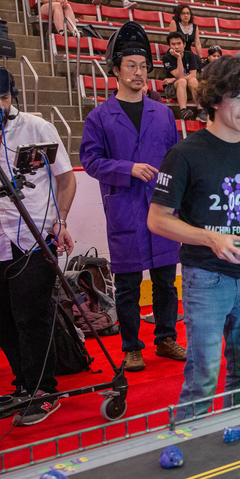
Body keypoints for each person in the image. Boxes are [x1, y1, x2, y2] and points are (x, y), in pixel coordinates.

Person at [148, 55, 240, 419]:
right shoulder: (185, 154)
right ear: (214, 99)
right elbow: (157, 220)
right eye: (238, 96)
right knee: (204, 375)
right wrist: (212, 239)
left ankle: (236, 438)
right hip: (204, 279)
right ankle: (190, 445)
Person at [80, 27, 185, 372]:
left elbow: (174, 158)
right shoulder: (99, 116)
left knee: (166, 281)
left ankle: (166, 337)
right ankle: (131, 346)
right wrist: (128, 168)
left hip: (162, 207)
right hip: (125, 209)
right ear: (116, 70)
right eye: (131, 66)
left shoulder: (163, 113)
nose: (139, 72)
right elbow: (91, 161)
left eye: (143, 66)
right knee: (127, 284)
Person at [0, 66, 76, 425]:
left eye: (3, 97)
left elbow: (67, 181)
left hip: (33, 237)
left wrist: (61, 221)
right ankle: (23, 384)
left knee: (32, 316)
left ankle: (44, 389)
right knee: (6, 319)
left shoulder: (37, 128)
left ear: (12, 96)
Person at [162, 31, 202, 120]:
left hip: (187, 88)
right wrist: (179, 58)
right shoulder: (167, 57)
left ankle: (201, 111)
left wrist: (173, 79)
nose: (176, 47)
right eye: (173, 44)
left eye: (179, 43)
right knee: (181, 81)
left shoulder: (190, 55)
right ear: (169, 46)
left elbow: (193, 75)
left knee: (193, 81)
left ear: (184, 44)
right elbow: (179, 76)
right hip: (172, 89)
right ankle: (183, 110)